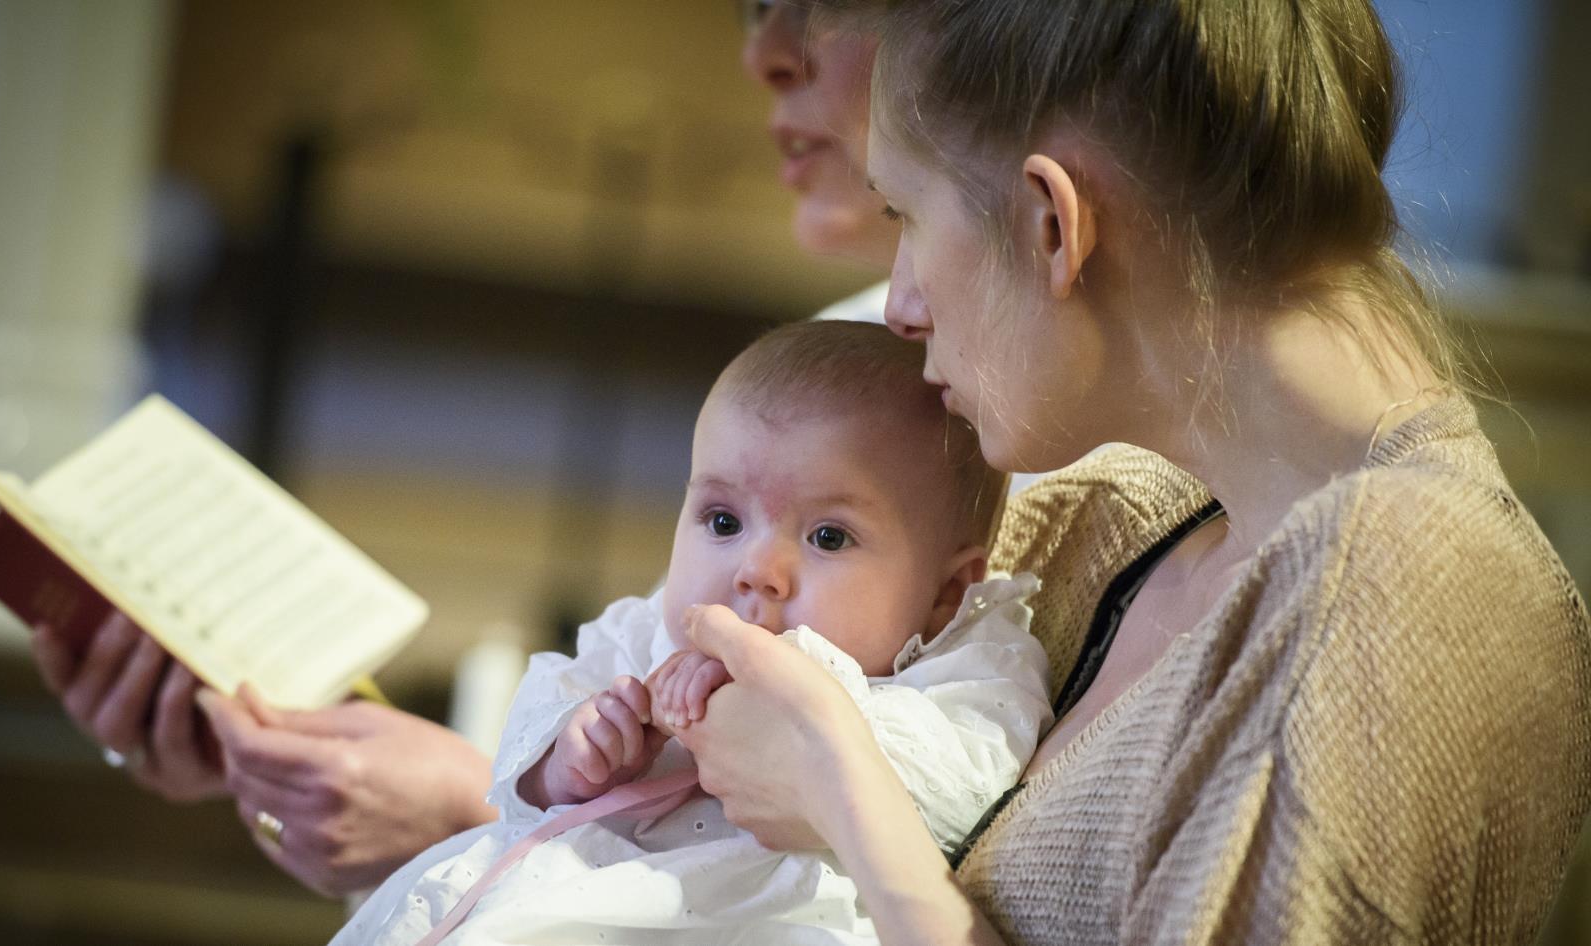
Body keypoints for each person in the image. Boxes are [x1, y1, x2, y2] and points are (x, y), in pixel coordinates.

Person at [663, 1, 1591, 944]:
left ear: (1052, 223)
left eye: (907, 212)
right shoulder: (1107, 523)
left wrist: (844, 800)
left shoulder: (1405, 591)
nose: (899, 304)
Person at [25, 0, 904, 898]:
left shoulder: (961, 431)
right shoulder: (826, 348)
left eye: (814, 7)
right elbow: (633, 699)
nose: (763, 54)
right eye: (752, 10)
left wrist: (461, 815)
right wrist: (277, 749)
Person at [326, 320, 1050, 944]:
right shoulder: (647, 633)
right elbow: (534, 730)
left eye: (829, 536)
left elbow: (960, 795)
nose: (757, 571)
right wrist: (570, 755)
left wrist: (791, 689)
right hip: (552, 900)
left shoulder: (967, 662)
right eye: (724, 522)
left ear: (946, 591)